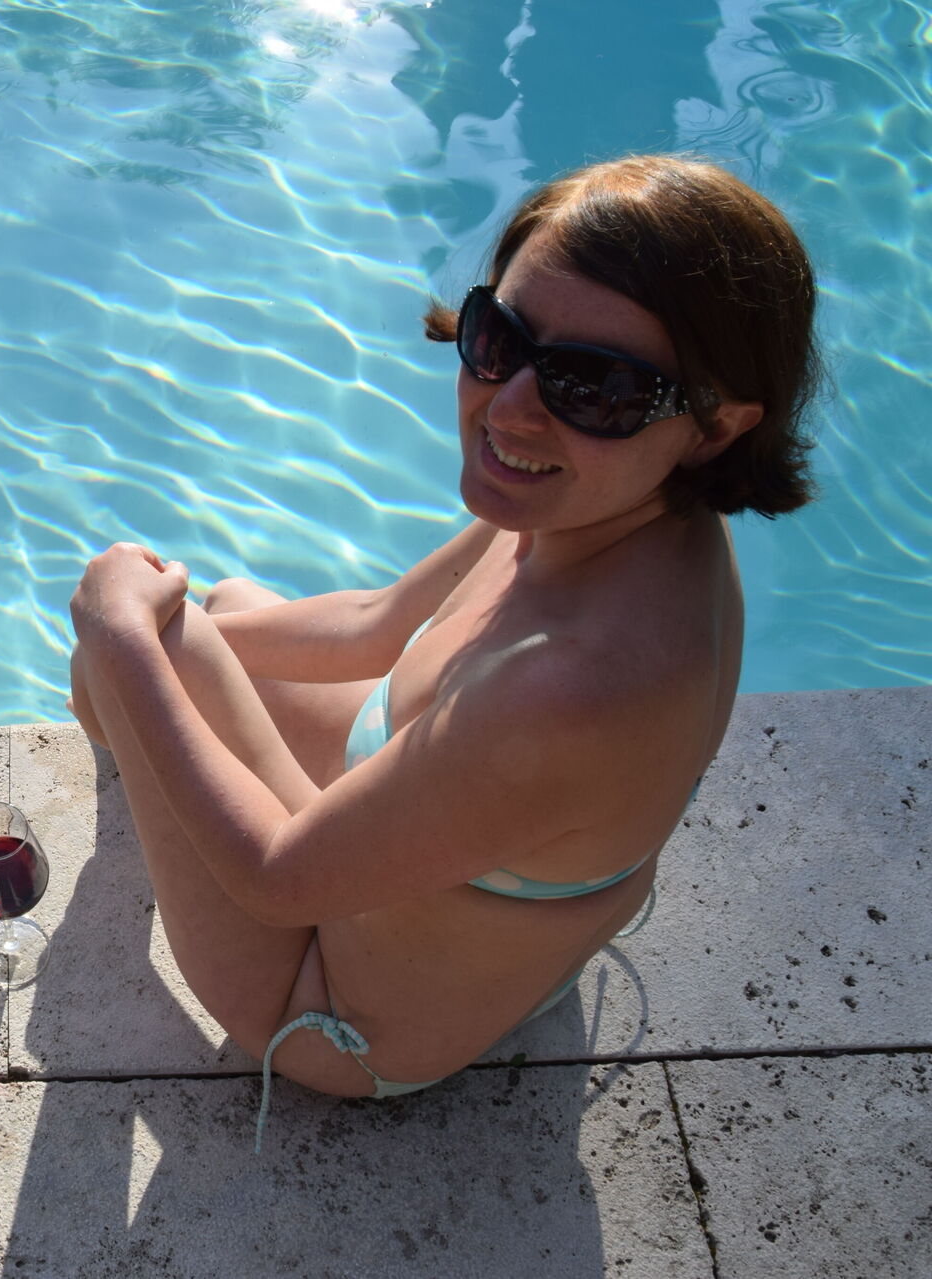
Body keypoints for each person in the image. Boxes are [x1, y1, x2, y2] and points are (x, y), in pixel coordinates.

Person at [66, 155, 817, 1136]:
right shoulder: (614, 508)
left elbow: (275, 878)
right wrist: (176, 644)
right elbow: (380, 624)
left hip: (329, 1012)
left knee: (147, 641)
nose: (508, 409)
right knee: (217, 610)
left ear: (718, 424)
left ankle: (118, 696)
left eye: (595, 385)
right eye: (500, 339)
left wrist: (127, 645)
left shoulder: (574, 687)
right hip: (439, 878)